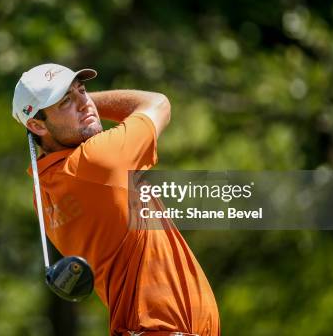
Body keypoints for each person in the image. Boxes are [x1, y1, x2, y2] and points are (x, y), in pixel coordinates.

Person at [12, 63, 220, 336]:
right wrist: (92, 102)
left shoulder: (44, 191)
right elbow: (157, 103)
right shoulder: (96, 160)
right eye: (65, 101)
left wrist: (73, 104)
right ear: (37, 125)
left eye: (83, 91)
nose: (85, 103)